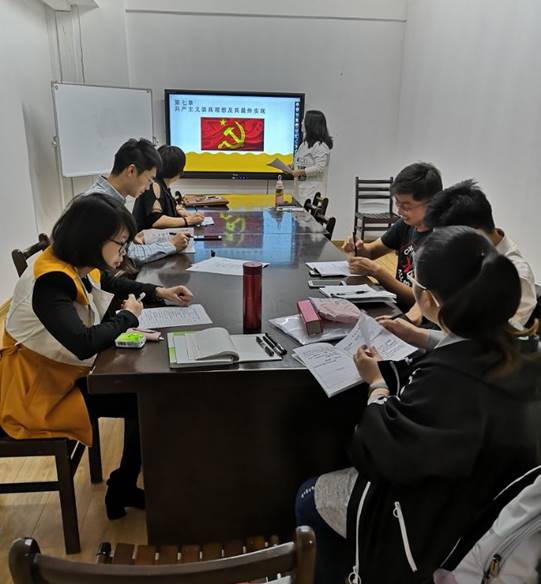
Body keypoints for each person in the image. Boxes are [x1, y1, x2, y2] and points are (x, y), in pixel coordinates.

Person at [296, 226, 541, 584]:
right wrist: (422, 336)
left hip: (440, 527)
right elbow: (467, 349)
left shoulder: (446, 382)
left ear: (428, 301)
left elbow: (379, 451)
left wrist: (377, 383)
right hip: (491, 505)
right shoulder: (525, 350)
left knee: (309, 496)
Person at [0, 194, 193, 520]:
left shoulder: (74, 262)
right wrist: (128, 317)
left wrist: (159, 292)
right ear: (93, 239)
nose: (123, 252)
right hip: (36, 392)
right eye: (120, 244)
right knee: (148, 398)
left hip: (60, 376)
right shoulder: (50, 281)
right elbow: (83, 343)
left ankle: (123, 485)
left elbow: (111, 283)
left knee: (146, 394)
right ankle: (123, 487)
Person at [422, 179, 537, 327]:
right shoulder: (470, 254)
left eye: (446, 242)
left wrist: (433, 313)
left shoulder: (517, 278)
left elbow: (491, 337)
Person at [343, 162, 442, 310]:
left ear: (432, 203)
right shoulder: (406, 225)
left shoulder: (441, 241)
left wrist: (378, 273)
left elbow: (424, 304)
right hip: (396, 306)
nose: (399, 212)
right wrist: (358, 247)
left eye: (406, 206)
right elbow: (371, 251)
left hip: (418, 318)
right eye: (397, 204)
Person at [84, 138, 189, 265]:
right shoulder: (101, 205)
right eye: (149, 180)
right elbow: (131, 255)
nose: (148, 187)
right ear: (131, 171)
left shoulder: (105, 197)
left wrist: (129, 240)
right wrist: (171, 245)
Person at [132, 145, 205, 232]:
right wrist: (188, 220)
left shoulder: (162, 185)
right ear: (179, 171)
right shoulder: (153, 185)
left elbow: (171, 204)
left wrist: (184, 212)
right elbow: (156, 221)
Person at [285, 110, 333, 201]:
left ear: (311, 124)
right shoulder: (304, 144)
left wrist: (300, 172)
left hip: (313, 193)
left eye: (304, 120)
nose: (301, 123)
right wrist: (291, 167)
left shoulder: (321, 146)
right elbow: (300, 162)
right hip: (299, 191)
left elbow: (319, 168)